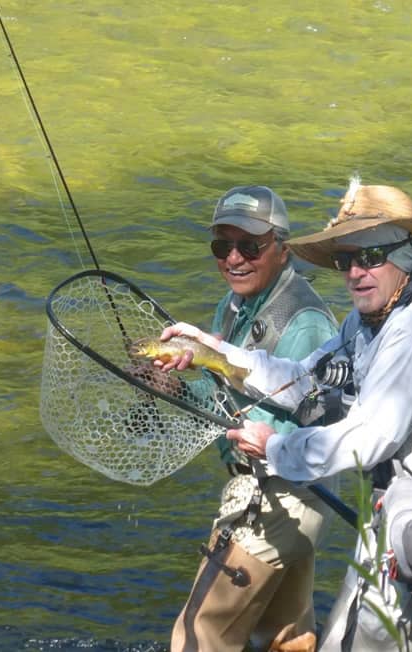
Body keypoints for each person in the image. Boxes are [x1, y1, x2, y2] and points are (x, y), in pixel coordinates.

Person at [157, 177, 412, 650]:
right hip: (405, 520)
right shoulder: (371, 321)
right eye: (345, 260)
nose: (355, 272)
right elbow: (302, 378)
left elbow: (369, 437)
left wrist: (276, 448)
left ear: (408, 255)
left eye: (371, 257)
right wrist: (213, 351)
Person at [166, 185, 339, 652]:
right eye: (223, 246)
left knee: (199, 635)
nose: (234, 259)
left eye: (250, 245)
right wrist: (181, 380)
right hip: (289, 501)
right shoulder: (235, 305)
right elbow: (226, 389)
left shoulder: (305, 322)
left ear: (282, 248)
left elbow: (304, 419)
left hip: (281, 494)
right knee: (285, 639)